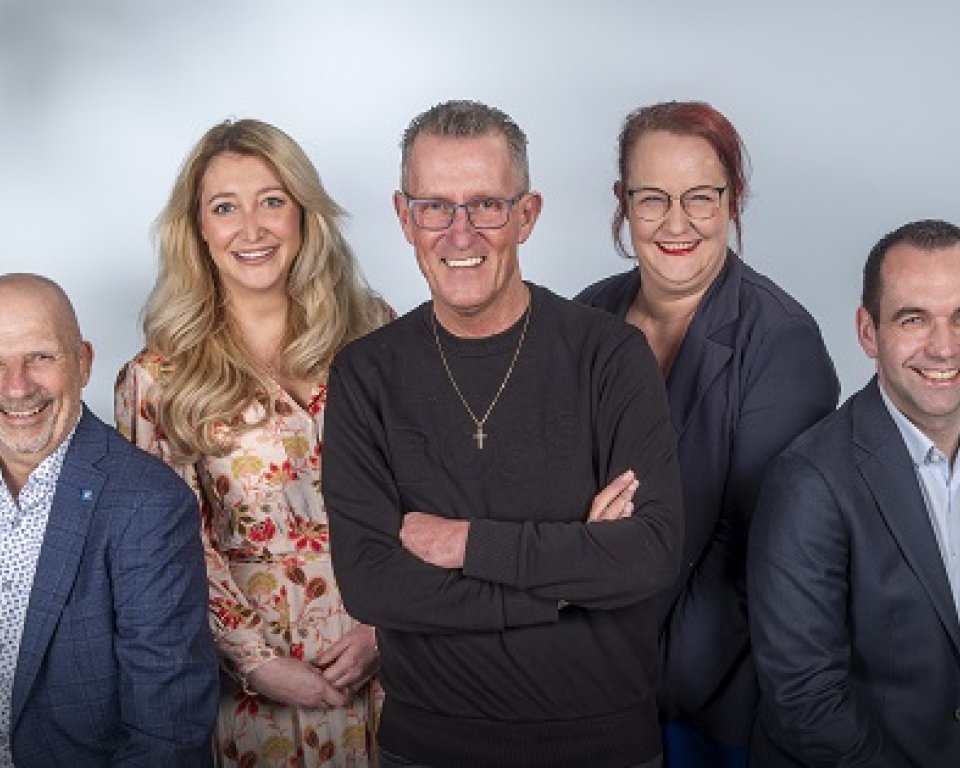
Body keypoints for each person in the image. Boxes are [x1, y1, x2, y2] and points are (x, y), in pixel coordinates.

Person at [322, 99, 684, 768]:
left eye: (486, 204)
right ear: (405, 218)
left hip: (603, 748)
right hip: (428, 749)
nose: (461, 235)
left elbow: (650, 554)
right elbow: (374, 585)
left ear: (527, 214)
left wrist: (467, 543)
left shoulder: (609, 356)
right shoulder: (366, 374)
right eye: (435, 207)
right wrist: (569, 583)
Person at [115, 119, 391, 767]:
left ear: (303, 213)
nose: (252, 227)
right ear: (199, 229)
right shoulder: (155, 381)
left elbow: (425, 490)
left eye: (272, 200)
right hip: (255, 699)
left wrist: (383, 630)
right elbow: (174, 547)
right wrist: (258, 665)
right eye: (224, 207)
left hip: (387, 667)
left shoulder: (375, 333)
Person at [576, 101, 839, 766]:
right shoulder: (586, 317)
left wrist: (639, 678)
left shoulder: (782, 343)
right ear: (621, 200)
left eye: (700, 196)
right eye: (651, 197)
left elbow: (756, 560)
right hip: (578, 679)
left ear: (733, 199)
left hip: (705, 703)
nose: (676, 222)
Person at [748, 219, 960, 766]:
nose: (943, 347)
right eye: (913, 319)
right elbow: (806, 703)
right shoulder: (808, 481)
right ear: (868, 332)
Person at [0, 273, 217, 766]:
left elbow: (169, 732)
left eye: (40, 357)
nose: (16, 386)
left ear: (83, 363)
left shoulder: (148, 504)